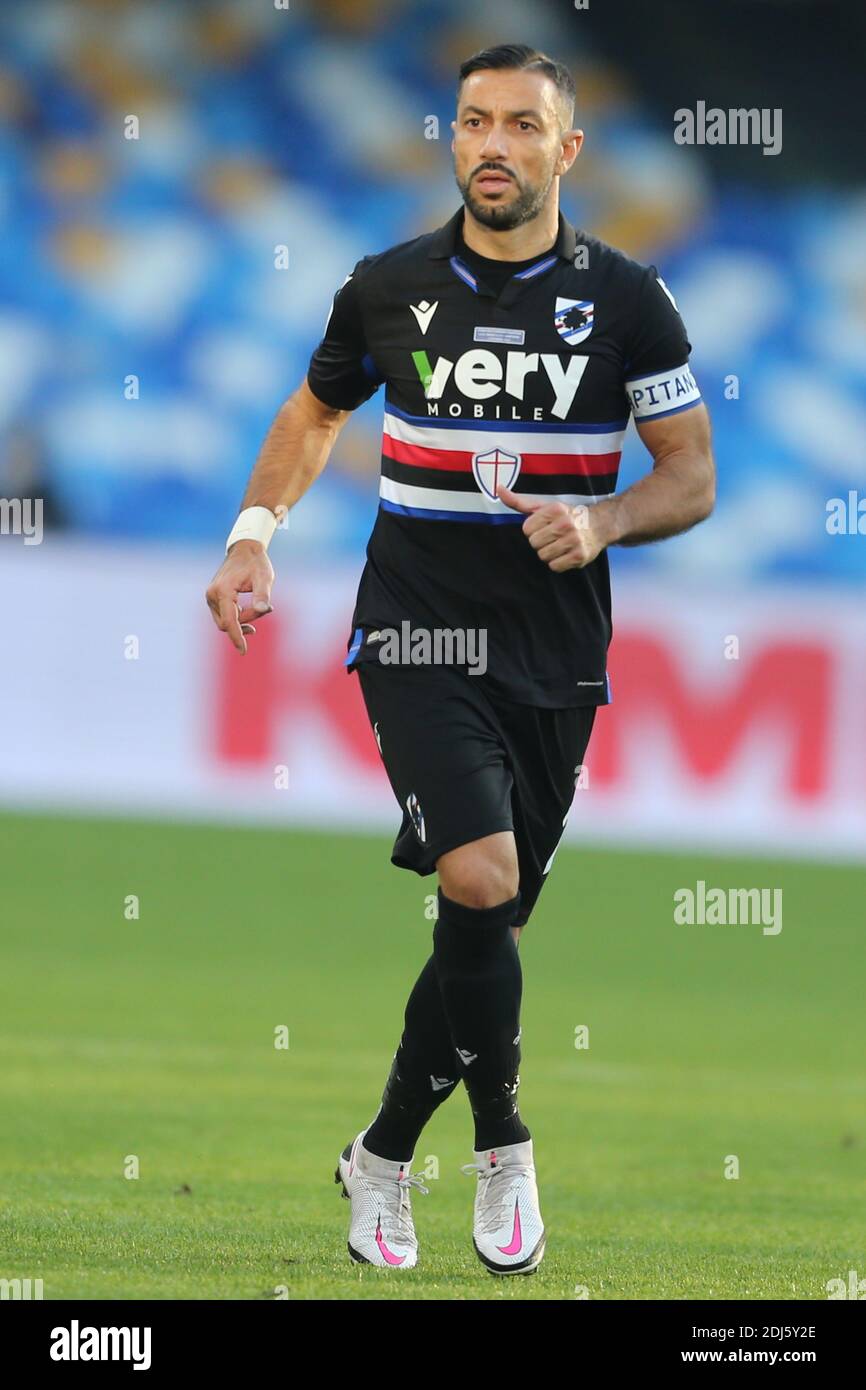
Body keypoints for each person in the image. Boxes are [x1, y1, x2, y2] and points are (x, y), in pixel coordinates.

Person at [206, 43, 715, 1276]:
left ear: (565, 149)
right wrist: (250, 536)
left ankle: (381, 1155)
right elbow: (316, 410)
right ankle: (503, 1148)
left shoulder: (628, 301)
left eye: (521, 126)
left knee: (489, 927)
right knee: (479, 880)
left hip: (555, 654)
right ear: (451, 140)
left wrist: (598, 519)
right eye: (473, 122)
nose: (493, 144)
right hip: (416, 634)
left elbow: (689, 474)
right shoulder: (386, 285)